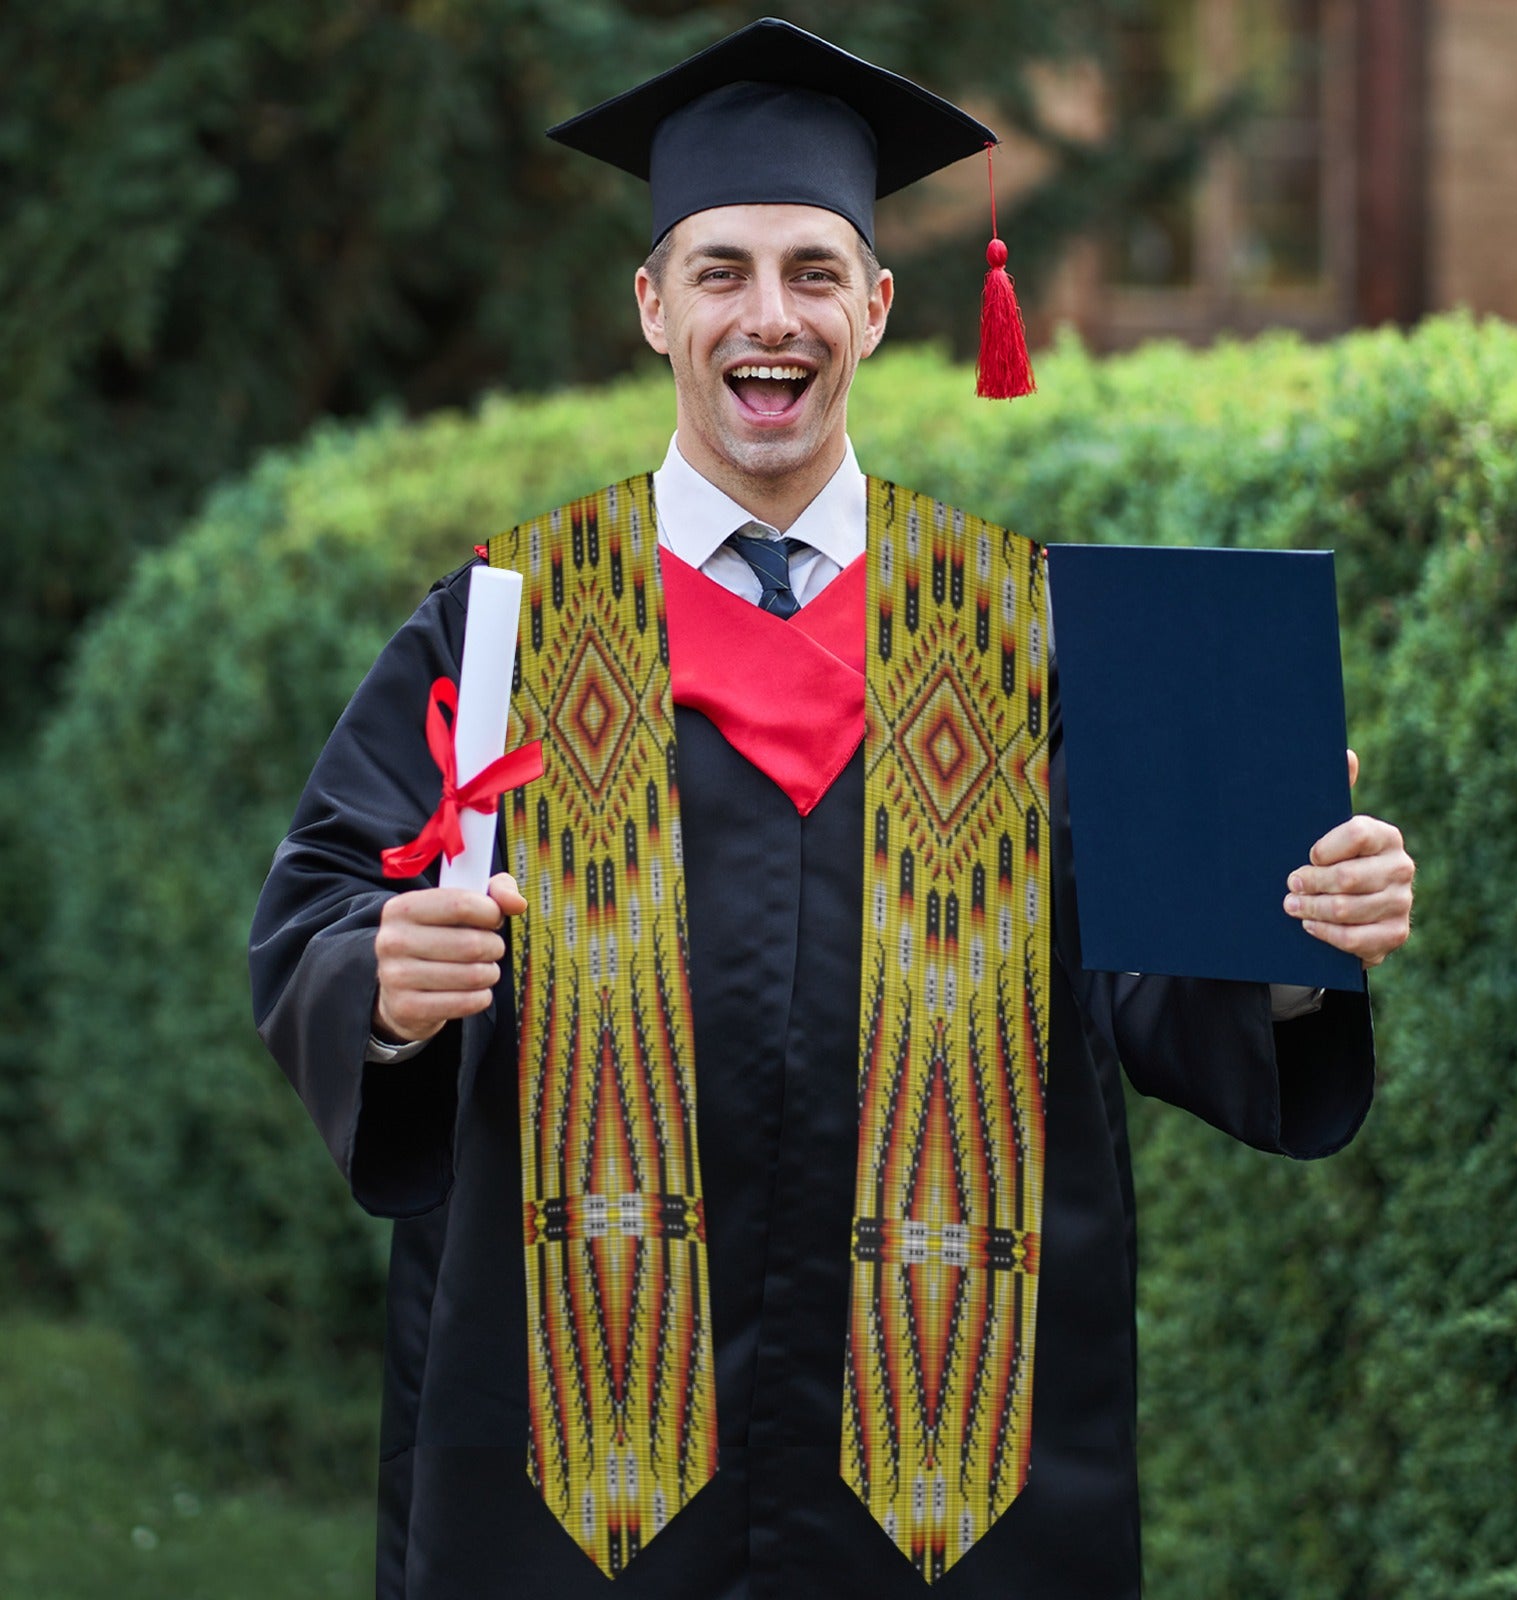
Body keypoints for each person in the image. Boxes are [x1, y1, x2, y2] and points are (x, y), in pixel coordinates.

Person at [249, 19, 1415, 1600]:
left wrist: (1293, 935)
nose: (768, 316)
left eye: (812, 271)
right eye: (721, 270)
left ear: (876, 305)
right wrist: (379, 984)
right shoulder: (509, 624)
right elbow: (323, 904)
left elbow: (1153, 983)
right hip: (581, 1460)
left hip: (958, 1462)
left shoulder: (1033, 631)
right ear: (654, 305)